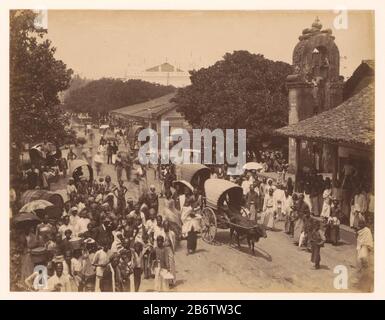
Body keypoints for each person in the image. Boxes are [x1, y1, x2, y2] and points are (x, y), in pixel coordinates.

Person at [163, 220, 176, 287]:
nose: (166, 227)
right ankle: (166, 281)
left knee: (171, 264)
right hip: (163, 250)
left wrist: (172, 251)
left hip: (169, 249)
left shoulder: (172, 233)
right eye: (165, 225)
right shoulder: (161, 233)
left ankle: (172, 281)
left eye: (167, 225)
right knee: (165, 265)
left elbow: (173, 242)